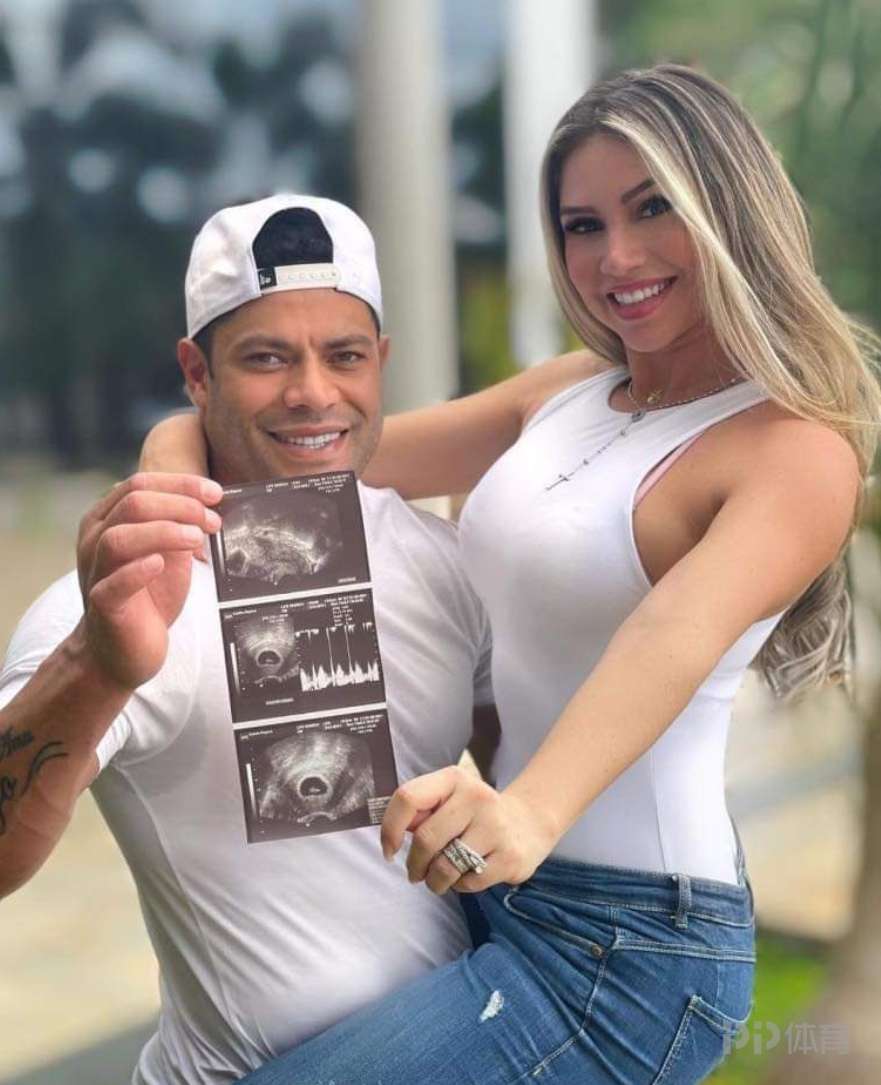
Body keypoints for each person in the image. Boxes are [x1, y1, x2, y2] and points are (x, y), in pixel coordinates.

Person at [145, 64, 881, 1084]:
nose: (616, 256)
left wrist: (530, 807)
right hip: (487, 874)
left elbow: (671, 634)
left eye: (652, 208)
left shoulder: (792, 450)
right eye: (582, 225)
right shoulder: (571, 391)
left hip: (627, 944)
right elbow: (325, 449)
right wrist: (167, 469)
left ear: (728, 207)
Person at [0, 194, 521, 1084]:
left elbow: (527, 789)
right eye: (266, 357)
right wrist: (97, 664)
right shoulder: (116, 601)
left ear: (381, 362)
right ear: (196, 374)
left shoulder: (448, 564)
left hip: (459, 1049)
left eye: (344, 355)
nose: (312, 391)